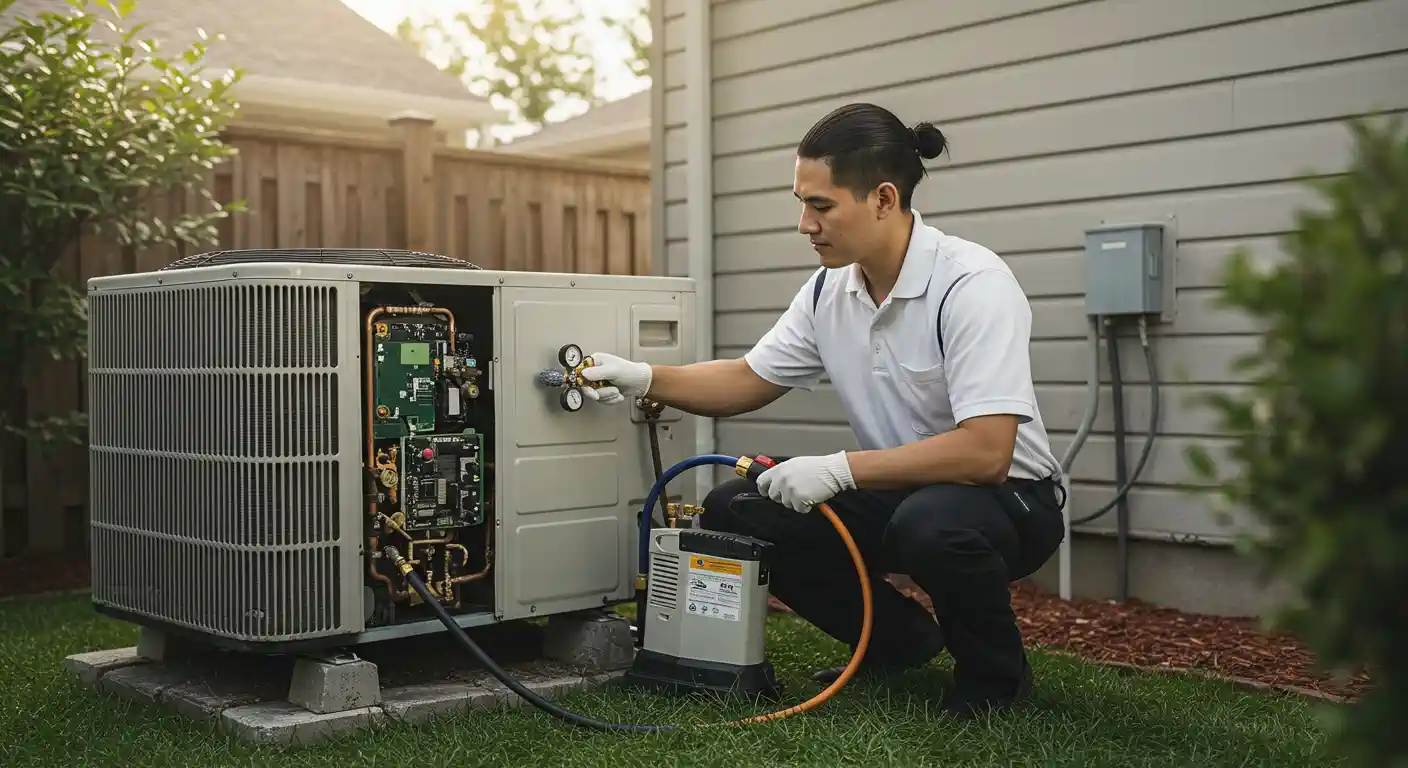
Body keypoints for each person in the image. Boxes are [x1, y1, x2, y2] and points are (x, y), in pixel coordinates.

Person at [578, 102, 1066, 718]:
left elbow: (986, 452)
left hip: (1011, 500)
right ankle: (896, 641)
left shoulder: (972, 284)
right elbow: (748, 379)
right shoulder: (830, 289)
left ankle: (994, 682)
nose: (805, 224)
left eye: (821, 206)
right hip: (903, 492)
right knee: (739, 506)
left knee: (933, 524)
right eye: (801, 203)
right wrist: (642, 377)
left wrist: (839, 469)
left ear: (884, 199)